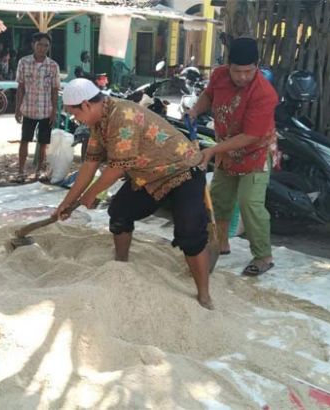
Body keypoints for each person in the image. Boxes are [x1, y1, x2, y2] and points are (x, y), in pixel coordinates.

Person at [55, 78, 213, 310]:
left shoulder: (122, 115)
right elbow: (89, 166)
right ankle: (121, 265)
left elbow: (117, 167)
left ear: (86, 105)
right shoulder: (98, 124)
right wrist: (66, 203)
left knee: (189, 230)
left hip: (182, 170)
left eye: (74, 114)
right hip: (148, 176)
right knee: (119, 212)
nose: (74, 119)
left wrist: (90, 195)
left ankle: (204, 295)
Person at [187, 37, 278, 277]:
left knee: (250, 202)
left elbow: (250, 136)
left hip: (255, 153)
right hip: (227, 151)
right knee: (218, 200)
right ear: (228, 66)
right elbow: (208, 95)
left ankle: (263, 256)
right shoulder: (219, 76)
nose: (242, 77)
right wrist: (196, 109)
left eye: (248, 71)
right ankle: (220, 243)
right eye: (237, 71)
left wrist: (212, 151)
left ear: (257, 66)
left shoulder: (264, 93)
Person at [14, 32, 60, 182]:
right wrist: (17, 108)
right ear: (33, 45)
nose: (42, 48)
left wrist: (54, 110)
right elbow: (20, 87)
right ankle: (21, 171)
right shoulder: (24, 62)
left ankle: (39, 170)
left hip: (46, 110)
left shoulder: (53, 66)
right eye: (40, 44)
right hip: (28, 109)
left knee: (43, 143)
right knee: (24, 140)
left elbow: (55, 89)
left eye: (46, 45)